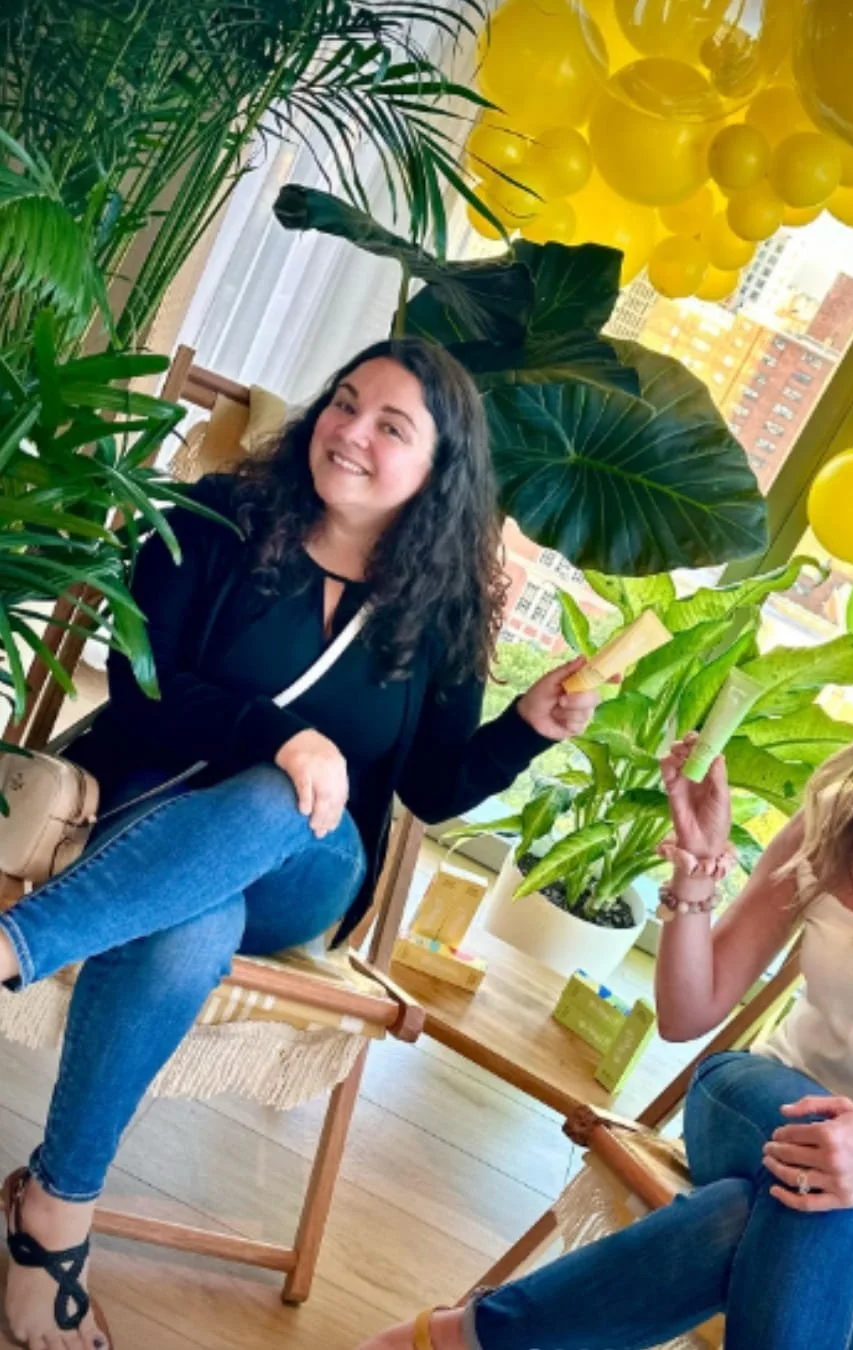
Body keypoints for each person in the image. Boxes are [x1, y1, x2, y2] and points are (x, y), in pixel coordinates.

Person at [0, 337, 603, 1350]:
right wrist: (277, 735)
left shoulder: (444, 616)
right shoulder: (214, 522)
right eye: (345, 403)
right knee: (192, 925)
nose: (351, 432)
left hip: (309, 871)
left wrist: (523, 733)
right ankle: (54, 1219)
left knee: (287, 808)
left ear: (437, 474)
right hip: (152, 823)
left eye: (390, 426)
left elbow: (430, 787)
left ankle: (14, 947)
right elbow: (141, 684)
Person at [357, 602, 853, 1350]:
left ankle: (458, 1338)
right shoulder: (834, 817)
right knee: (818, 1162)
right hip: (757, 1106)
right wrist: (697, 874)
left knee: (770, 1209)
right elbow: (685, 1013)